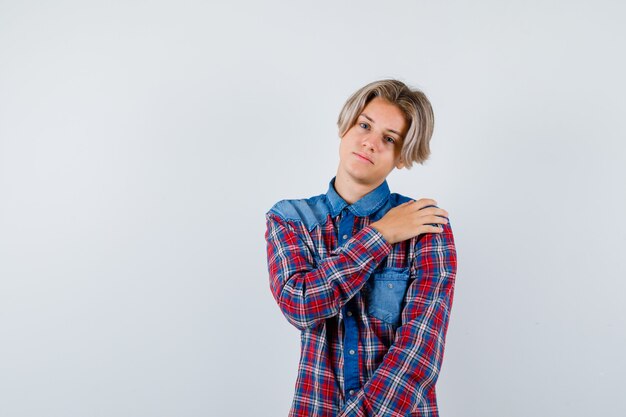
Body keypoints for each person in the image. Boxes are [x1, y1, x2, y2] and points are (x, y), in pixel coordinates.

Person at [264, 79, 458, 417]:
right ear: (346, 126)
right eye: (364, 125)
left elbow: (420, 352)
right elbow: (300, 304)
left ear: (402, 156)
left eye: (389, 138)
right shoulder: (291, 219)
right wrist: (380, 235)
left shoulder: (427, 227)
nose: (370, 143)